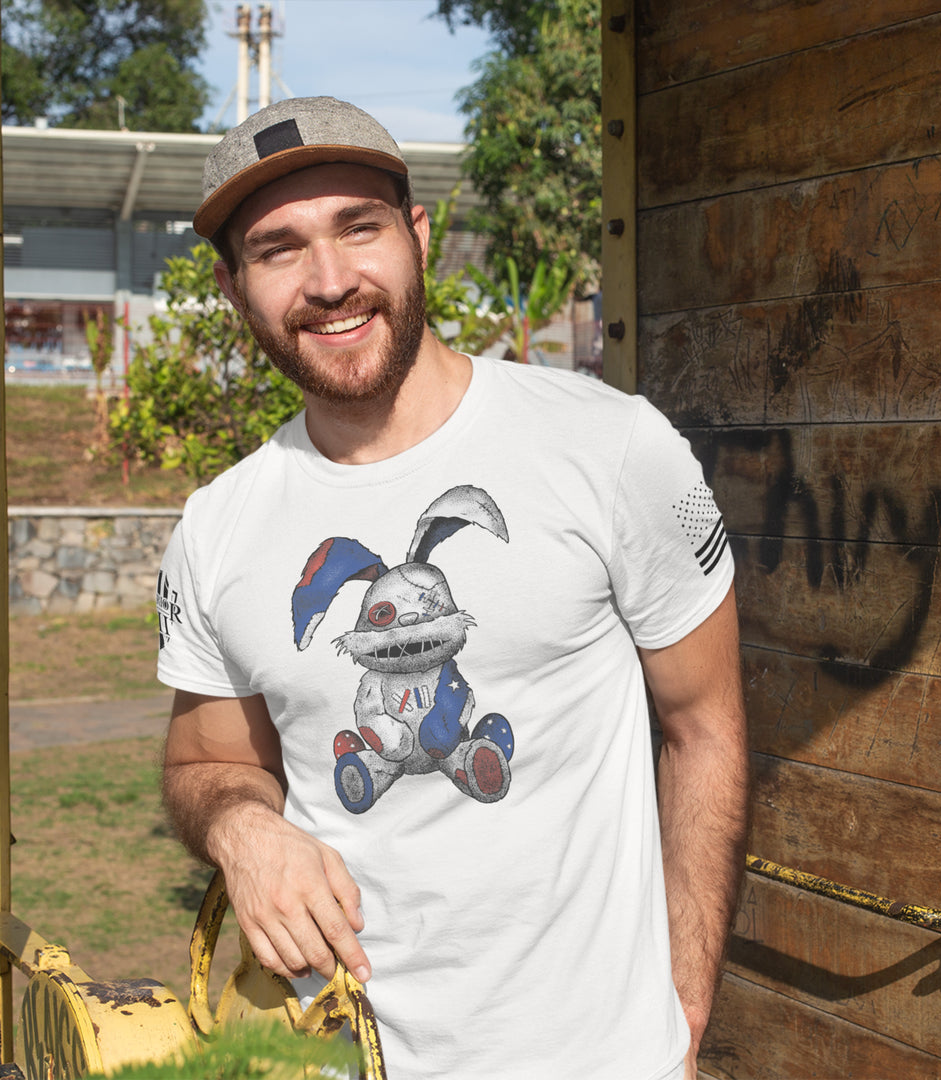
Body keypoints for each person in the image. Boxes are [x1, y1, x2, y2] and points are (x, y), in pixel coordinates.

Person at [158, 95, 748, 1080]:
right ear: (233, 286)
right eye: (278, 250)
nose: (331, 281)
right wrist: (240, 827)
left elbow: (707, 728)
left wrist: (681, 1020)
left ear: (418, 233)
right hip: (335, 1057)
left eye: (359, 228)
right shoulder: (219, 527)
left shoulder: (607, 447)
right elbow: (202, 763)